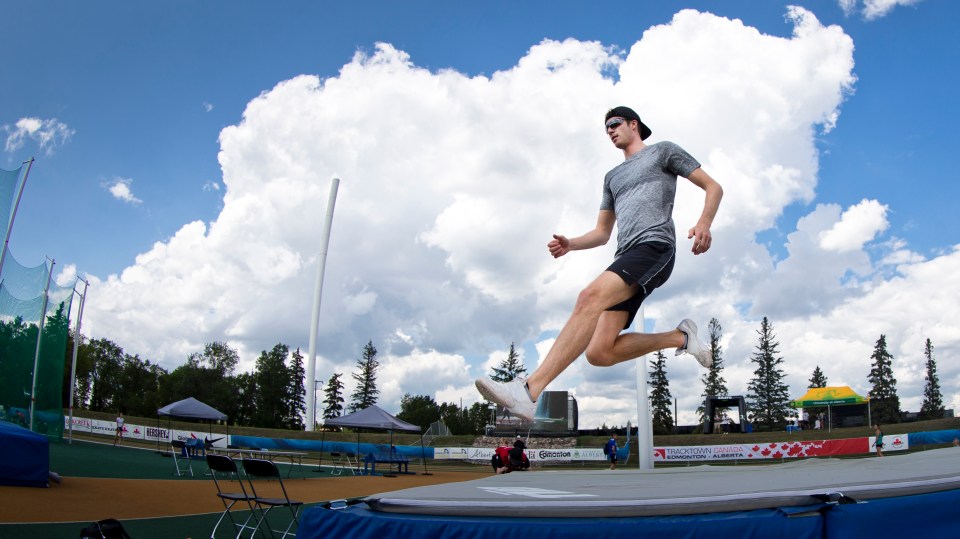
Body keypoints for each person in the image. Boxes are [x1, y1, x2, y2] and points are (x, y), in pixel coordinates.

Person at [476, 106, 723, 421]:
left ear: (634, 125)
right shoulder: (612, 177)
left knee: (588, 297)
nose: (610, 130)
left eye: (615, 124)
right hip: (626, 254)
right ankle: (681, 337)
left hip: (655, 246)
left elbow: (713, 187)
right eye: (606, 127)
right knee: (600, 353)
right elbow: (603, 232)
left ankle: (527, 391)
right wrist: (572, 244)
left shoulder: (663, 152)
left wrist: (704, 223)